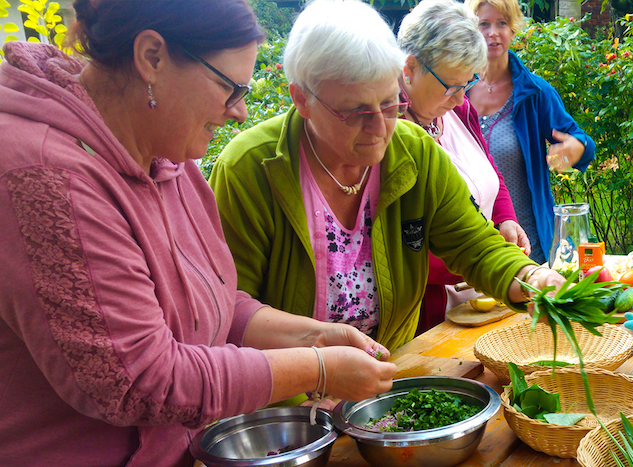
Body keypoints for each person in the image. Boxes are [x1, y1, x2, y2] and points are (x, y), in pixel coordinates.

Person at [0, 1, 396, 465]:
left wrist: (315, 338)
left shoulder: (170, 156)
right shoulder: (46, 178)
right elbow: (140, 381)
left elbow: (214, 305)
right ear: (152, 56)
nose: (239, 112)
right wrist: (318, 368)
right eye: (229, 88)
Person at [210, 0, 567, 353]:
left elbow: (474, 244)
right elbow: (228, 307)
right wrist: (316, 362)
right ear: (302, 99)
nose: (380, 128)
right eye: (356, 111)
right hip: (285, 396)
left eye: (389, 104)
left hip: (388, 379)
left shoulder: (414, 151)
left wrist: (532, 279)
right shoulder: (249, 169)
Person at [397, 0, 530, 334]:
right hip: (429, 317)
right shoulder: (388, 134)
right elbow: (403, 249)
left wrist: (505, 219)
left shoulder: (457, 111)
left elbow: (490, 172)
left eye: (467, 83)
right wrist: (485, 262)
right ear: (409, 68)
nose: (460, 97)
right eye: (451, 86)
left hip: (489, 295)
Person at [466, 0, 596, 265]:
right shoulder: (456, 90)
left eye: (502, 23)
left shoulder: (534, 92)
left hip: (528, 246)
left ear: (513, 30)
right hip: (469, 245)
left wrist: (575, 148)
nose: (493, 32)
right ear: (471, 30)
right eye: (484, 24)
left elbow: (583, 143)